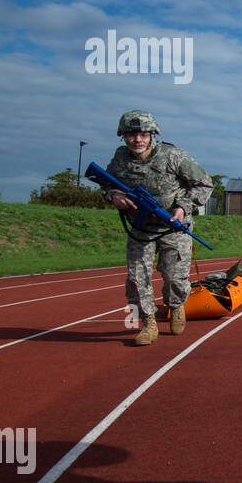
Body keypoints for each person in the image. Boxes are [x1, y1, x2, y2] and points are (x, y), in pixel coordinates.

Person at [98, 110, 213, 346]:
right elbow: (106, 183)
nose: (137, 139)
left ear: (152, 135)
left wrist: (182, 207)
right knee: (136, 278)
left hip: (174, 226)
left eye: (142, 134)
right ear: (123, 137)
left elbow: (204, 183)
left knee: (174, 277)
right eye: (131, 134)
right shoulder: (120, 159)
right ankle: (148, 323)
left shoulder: (173, 156)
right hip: (140, 229)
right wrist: (114, 195)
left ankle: (176, 304)